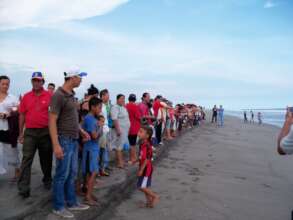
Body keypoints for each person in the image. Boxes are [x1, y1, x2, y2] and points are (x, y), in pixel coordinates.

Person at [49, 68, 89, 218]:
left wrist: (81, 131)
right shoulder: (58, 95)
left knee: (71, 173)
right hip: (63, 139)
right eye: (80, 77)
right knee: (61, 174)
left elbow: (71, 118)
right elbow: (52, 121)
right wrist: (56, 145)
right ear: (72, 78)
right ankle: (58, 207)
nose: (81, 80)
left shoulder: (71, 95)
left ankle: (71, 202)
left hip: (72, 139)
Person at [18, 72, 53, 198]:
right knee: (26, 159)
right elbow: (22, 115)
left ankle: (47, 179)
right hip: (30, 133)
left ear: (43, 82)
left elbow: (53, 116)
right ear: (31, 82)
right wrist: (20, 133)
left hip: (45, 132)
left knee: (46, 159)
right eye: (34, 80)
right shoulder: (26, 97)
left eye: (39, 80)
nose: (36, 83)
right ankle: (23, 188)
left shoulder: (49, 96)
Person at [82, 97, 103, 206]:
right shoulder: (90, 119)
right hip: (91, 149)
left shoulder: (90, 118)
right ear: (93, 107)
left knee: (90, 173)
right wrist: (100, 127)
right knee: (93, 173)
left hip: (90, 148)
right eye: (99, 107)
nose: (100, 109)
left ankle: (88, 193)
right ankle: (88, 197)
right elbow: (94, 136)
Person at [0, 75, 19, 178]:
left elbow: (18, 109)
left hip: (9, 129)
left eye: (7, 84)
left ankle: (17, 168)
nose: (5, 86)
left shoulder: (13, 98)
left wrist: (9, 114)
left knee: (12, 151)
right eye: (3, 84)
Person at [137, 126, 159, 208]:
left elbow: (147, 159)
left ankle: (155, 196)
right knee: (144, 186)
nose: (138, 133)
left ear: (147, 135)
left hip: (146, 169)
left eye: (141, 132)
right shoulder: (142, 143)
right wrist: (134, 161)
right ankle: (149, 202)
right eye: (139, 131)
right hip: (143, 167)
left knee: (141, 187)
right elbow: (140, 156)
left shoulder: (146, 145)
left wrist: (141, 170)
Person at [111, 94, 130, 169]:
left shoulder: (122, 107)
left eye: (124, 99)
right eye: (121, 99)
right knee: (119, 146)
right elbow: (114, 119)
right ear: (117, 99)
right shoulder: (115, 107)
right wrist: (118, 130)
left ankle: (120, 161)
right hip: (120, 130)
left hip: (125, 130)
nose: (123, 100)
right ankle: (120, 163)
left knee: (121, 146)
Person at [126, 94, 141, 164]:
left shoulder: (126, 106)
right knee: (133, 144)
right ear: (135, 99)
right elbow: (138, 116)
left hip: (128, 127)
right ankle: (133, 158)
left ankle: (133, 158)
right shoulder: (135, 106)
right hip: (134, 127)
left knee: (131, 144)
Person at [100, 89, 112, 174]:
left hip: (106, 129)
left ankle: (105, 166)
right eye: (107, 96)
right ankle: (102, 169)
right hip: (103, 130)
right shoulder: (100, 105)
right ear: (103, 96)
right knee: (103, 150)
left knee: (106, 149)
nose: (108, 97)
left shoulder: (105, 105)